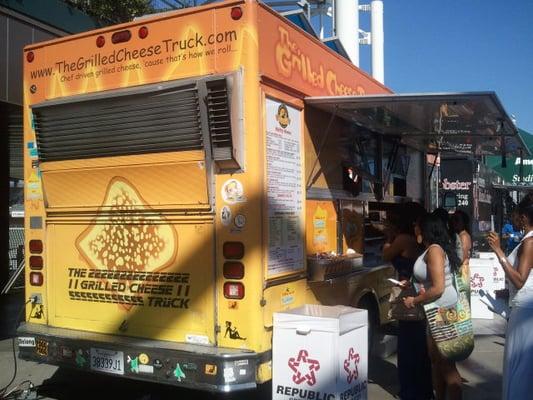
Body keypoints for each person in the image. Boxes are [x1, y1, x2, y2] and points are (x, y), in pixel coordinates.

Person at [403, 214, 463, 400]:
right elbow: (433, 281)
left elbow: (438, 288)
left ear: (425, 229)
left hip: (442, 310)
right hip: (436, 310)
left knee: (446, 364)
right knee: (437, 361)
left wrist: (415, 300)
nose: (414, 230)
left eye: (417, 225)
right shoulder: (432, 249)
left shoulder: (434, 250)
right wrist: (412, 284)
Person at [383, 203, 433, 400]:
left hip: (409, 295)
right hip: (420, 292)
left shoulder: (403, 239)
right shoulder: (421, 241)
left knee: (408, 347)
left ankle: (410, 391)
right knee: (420, 347)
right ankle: (423, 388)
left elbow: (386, 254)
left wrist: (388, 238)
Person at [487, 193, 533, 400]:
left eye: (518, 215)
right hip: (523, 307)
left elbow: (520, 280)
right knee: (523, 367)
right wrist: (507, 292)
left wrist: (499, 251)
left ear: (524, 217)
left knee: (521, 368)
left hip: (524, 311)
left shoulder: (529, 242)